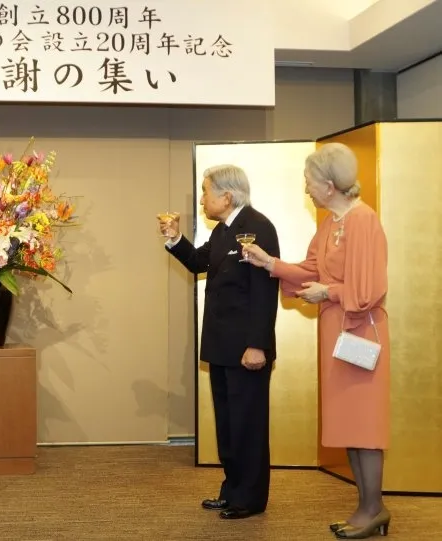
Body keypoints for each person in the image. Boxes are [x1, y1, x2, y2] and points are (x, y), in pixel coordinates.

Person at [242, 143, 391, 539]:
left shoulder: (364, 221)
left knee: (365, 425)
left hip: (361, 335)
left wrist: (327, 293)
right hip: (336, 333)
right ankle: (367, 506)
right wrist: (269, 263)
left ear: (328, 183)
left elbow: (369, 288)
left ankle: (372, 508)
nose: (305, 188)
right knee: (348, 424)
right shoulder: (329, 225)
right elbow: (310, 270)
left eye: (309, 180)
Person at [159, 165, 280, 520]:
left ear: (226, 196)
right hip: (221, 346)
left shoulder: (258, 227)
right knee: (228, 423)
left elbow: (263, 291)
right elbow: (199, 261)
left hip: (247, 348)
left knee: (248, 424)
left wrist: (257, 344)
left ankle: (251, 499)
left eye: (205, 191)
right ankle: (232, 490)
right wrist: (174, 238)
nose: (201, 199)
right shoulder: (224, 231)